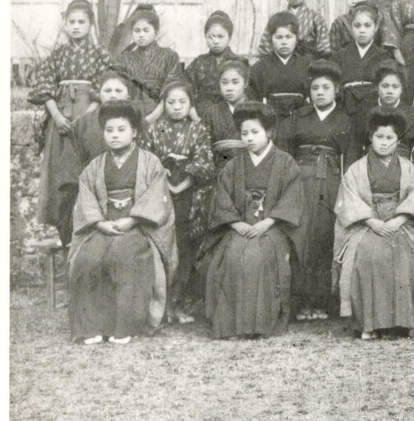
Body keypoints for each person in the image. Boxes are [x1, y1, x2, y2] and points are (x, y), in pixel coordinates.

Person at [68, 101, 177, 344]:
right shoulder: (95, 166)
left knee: (123, 255)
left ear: (134, 132)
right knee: (88, 257)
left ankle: (125, 326)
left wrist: (132, 219)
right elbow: (86, 197)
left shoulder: (151, 163)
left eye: (121, 130)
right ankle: (91, 327)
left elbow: (158, 199)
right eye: (109, 130)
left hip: (138, 226)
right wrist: (99, 223)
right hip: (104, 225)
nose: (114, 135)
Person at [200, 103, 304, 339]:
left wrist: (267, 223)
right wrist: (237, 224)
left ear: (269, 132)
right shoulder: (234, 165)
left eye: (255, 132)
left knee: (258, 257)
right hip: (239, 226)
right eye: (244, 133)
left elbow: (291, 199)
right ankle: (230, 326)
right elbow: (222, 199)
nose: (249, 138)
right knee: (233, 255)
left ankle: (259, 325)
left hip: (272, 227)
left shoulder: (286, 163)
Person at [334, 109, 414, 338]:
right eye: (379, 137)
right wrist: (371, 221)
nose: (384, 142)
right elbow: (348, 200)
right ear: (371, 137)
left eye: (390, 138)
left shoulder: (408, 168)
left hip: (401, 223)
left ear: (397, 140)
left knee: (405, 256)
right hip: (366, 223)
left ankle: (402, 322)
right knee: (368, 256)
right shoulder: (356, 169)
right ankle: (369, 324)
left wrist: (399, 219)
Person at [279, 60, 358, 321]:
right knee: (301, 235)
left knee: (325, 236)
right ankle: (301, 303)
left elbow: (352, 160)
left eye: (326, 87)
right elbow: (284, 154)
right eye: (315, 88)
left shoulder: (345, 120)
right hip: (301, 181)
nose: (320, 92)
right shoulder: (298, 117)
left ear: (337, 90)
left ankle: (323, 302)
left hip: (331, 182)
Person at [31, 0, 109, 248]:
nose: (76, 26)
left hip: (90, 119)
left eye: (81, 22)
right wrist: (55, 114)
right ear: (65, 24)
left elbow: (106, 86)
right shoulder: (58, 56)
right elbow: (43, 86)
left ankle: (90, 231)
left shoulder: (100, 55)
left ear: (90, 24)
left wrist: (88, 117)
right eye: (71, 22)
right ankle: (64, 233)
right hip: (62, 121)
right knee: (60, 176)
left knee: (86, 173)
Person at [144, 80, 213, 323]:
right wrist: (165, 179)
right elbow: (148, 160)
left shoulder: (198, 130)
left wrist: (182, 184)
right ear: (162, 104)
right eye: (170, 102)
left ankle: (178, 304)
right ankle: (160, 307)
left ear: (191, 104)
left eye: (182, 102)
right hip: (161, 193)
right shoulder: (156, 129)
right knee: (164, 249)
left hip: (189, 194)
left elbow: (205, 162)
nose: (176, 107)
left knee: (185, 250)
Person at [111, 5, 183, 122]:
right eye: (137, 31)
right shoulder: (124, 58)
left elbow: (172, 90)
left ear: (156, 32)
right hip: (130, 115)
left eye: (146, 30)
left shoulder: (169, 57)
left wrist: (153, 116)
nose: (141, 35)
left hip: (162, 114)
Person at [248, 11, 312, 117]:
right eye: (279, 37)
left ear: (296, 38)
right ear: (271, 39)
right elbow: (253, 101)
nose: (284, 42)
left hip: (301, 122)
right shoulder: (259, 68)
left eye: (289, 37)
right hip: (270, 122)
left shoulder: (307, 66)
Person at [255, 0, 330, 58]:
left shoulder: (315, 18)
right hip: (281, 65)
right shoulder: (277, 19)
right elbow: (265, 49)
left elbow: (324, 49)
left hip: (308, 64)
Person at [334, 3, 391, 118]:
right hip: (346, 107)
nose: (362, 30)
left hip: (373, 108)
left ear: (375, 27)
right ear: (351, 27)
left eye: (367, 25)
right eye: (357, 25)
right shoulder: (341, 54)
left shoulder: (384, 56)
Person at [355, 63, 414, 158]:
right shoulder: (365, 113)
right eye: (385, 86)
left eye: (395, 86)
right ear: (377, 87)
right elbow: (356, 147)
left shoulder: (413, 114)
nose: (390, 91)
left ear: (402, 89)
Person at [329, 0, 401, 60]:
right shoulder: (339, 23)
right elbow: (334, 53)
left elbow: (385, 50)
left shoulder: (379, 21)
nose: (354, 1)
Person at [185, 11, 242, 114]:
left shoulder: (239, 63)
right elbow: (186, 92)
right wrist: (195, 117)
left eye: (220, 36)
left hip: (231, 114)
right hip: (202, 115)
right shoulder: (198, 63)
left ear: (229, 37)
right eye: (211, 37)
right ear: (205, 37)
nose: (215, 41)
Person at [203, 59, 255, 169]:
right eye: (224, 82)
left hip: (250, 164)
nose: (229, 88)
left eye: (235, 82)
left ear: (245, 83)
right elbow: (204, 146)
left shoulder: (256, 110)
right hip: (219, 167)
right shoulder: (211, 112)